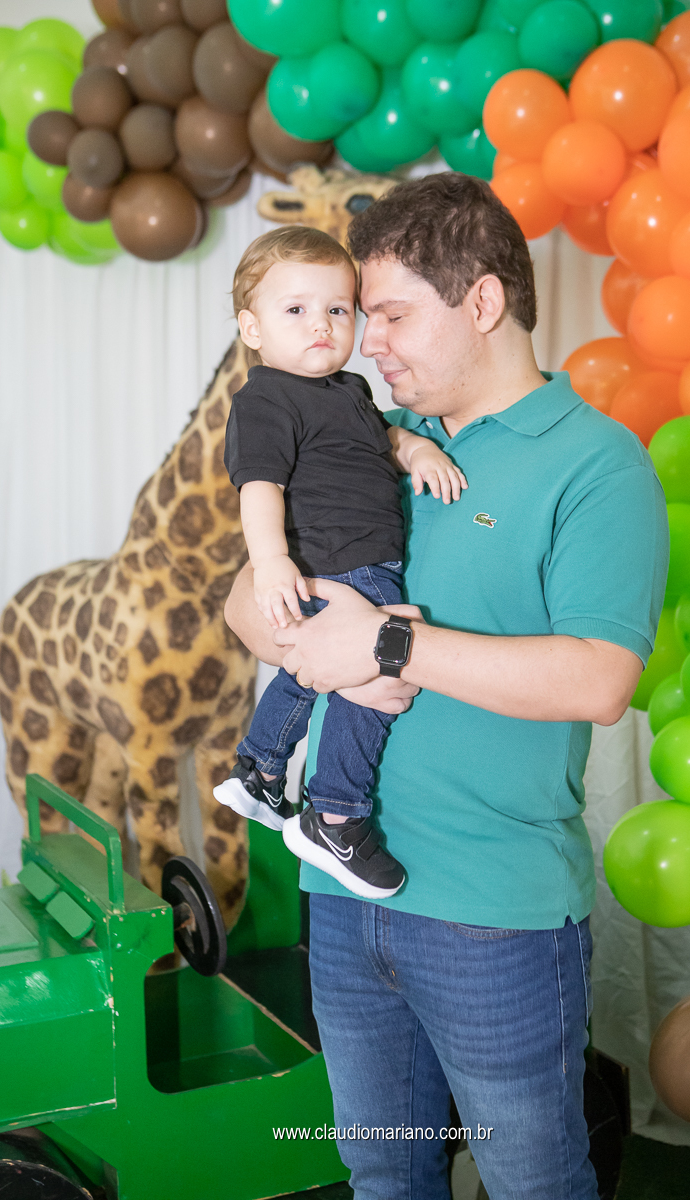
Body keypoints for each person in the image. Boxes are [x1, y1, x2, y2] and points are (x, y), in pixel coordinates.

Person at [225, 174, 669, 1200]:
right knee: (382, 1174)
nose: (364, 341)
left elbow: (600, 679)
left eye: (387, 314)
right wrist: (308, 631)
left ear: (481, 301)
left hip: (494, 918)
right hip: (342, 894)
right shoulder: (371, 434)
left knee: (533, 1184)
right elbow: (243, 601)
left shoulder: (599, 465)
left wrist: (385, 646)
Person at [214, 225, 467, 901]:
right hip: (340, 560)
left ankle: (261, 770)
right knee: (373, 682)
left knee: (308, 672)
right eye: (296, 309)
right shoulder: (266, 397)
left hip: (359, 560)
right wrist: (270, 560)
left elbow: (381, 438)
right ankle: (335, 814)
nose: (321, 325)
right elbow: (259, 484)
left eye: (336, 309)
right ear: (253, 328)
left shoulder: (349, 389)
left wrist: (415, 449)